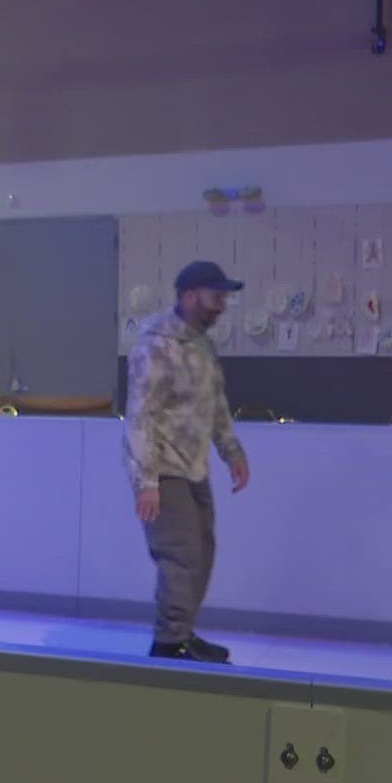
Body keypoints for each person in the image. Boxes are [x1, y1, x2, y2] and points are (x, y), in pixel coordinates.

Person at [125, 260, 251, 664]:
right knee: (180, 556)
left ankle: (183, 633)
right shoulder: (155, 344)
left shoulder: (201, 345)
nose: (222, 306)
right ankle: (168, 643)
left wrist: (232, 452)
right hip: (163, 469)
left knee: (203, 552)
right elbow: (139, 417)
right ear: (189, 295)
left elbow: (216, 405)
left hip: (194, 468)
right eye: (217, 297)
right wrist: (146, 481)